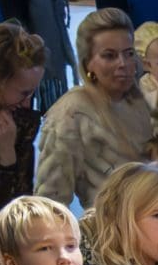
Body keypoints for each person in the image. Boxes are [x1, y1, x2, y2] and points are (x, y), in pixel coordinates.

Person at [34, 11, 150, 210]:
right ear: (88, 63)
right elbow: (50, 202)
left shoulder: (139, 100)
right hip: (109, 231)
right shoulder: (70, 114)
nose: (123, 64)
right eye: (109, 56)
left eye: (129, 54)